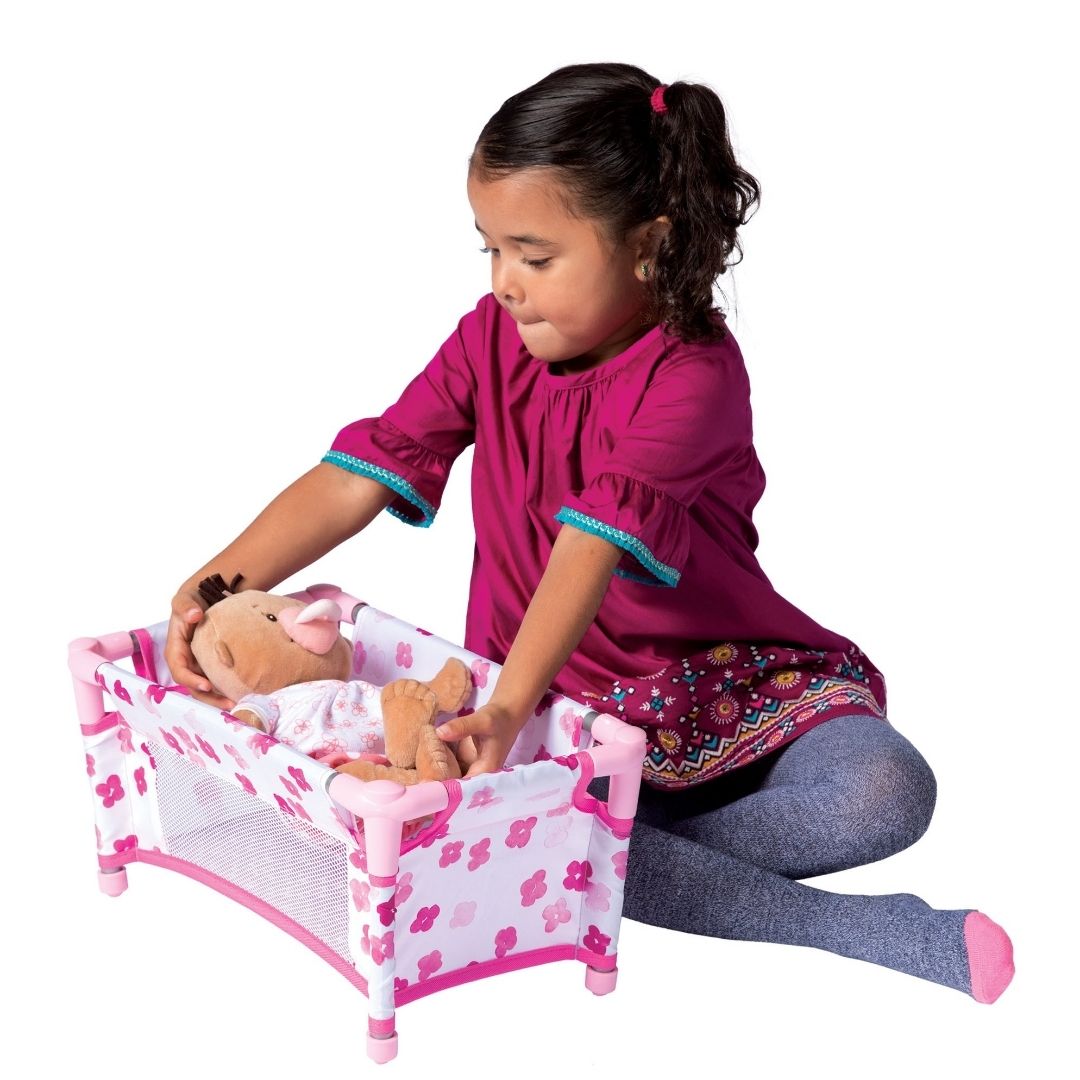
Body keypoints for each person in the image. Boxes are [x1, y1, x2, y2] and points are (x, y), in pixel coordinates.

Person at [165, 62, 1014, 1004]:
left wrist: (500, 713)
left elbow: (589, 546)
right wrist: (208, 590)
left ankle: (606, 849)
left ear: (648, 245)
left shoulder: (695, 374)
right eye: (489, 250)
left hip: (718, 676)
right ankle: (839, 924)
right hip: (556, 701)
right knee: (578, 826)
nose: (506, 284)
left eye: (535, 258)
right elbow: (358, 474)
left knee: (888, 791)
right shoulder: (487, 338)